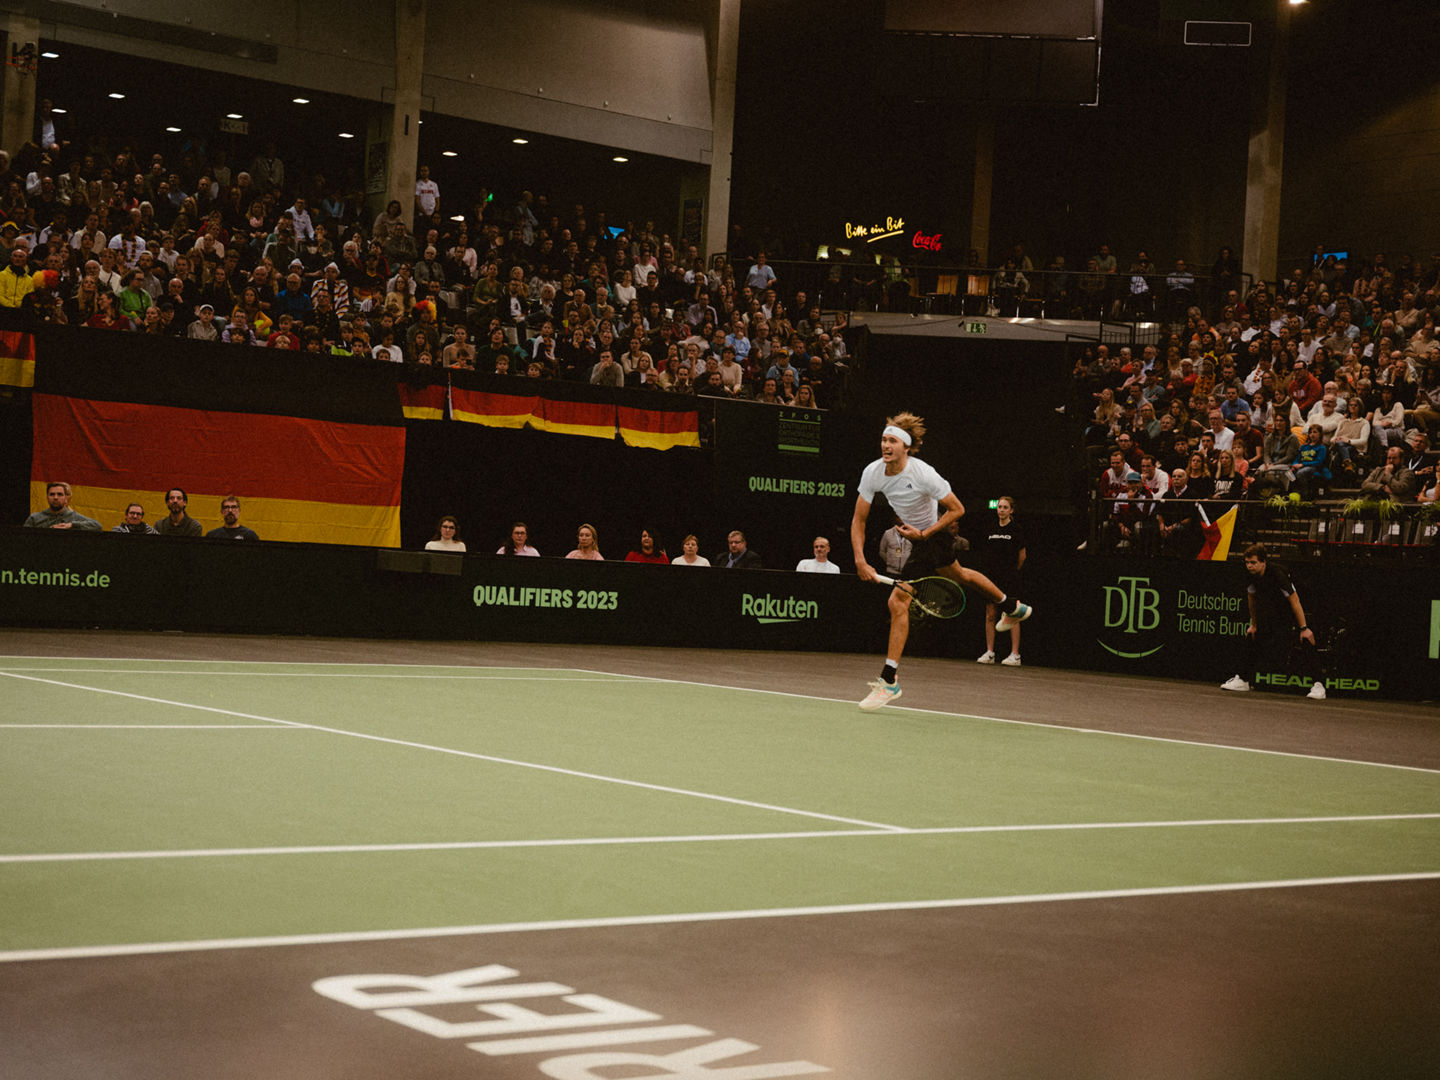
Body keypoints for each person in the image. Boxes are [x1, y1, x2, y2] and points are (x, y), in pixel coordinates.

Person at [850, 413, 1031, 711]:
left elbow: (957, 509)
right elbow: (859, 518)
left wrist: (924, 534)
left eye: (892, 440)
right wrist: (859, 558)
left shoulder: (924, 474)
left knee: (897, 602)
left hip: (932, 534)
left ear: (906, 446)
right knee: (960, 574)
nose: (886, 445)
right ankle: (1013, 606)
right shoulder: (873, 472)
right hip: (921, 538)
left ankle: (889, 680)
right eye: (883, 439)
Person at [1220, 544, 1325, 700]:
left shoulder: (1277, 574)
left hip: (1300, 606)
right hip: (1277, 609)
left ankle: (1319, 685)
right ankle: (1243, 680)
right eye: (1247, 562)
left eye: (1253, 562)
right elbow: (1252, 599)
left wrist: (1303, 627)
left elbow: (1295, 600)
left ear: (1264, 562)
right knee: (1253, 636)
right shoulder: (1249, 575)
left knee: (1305, 638)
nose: (1249, 566)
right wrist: (1254, 625)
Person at [976, 496, 1026, 667]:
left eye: (1005, 507)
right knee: (990, 614)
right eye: (999, 507)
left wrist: (1011, 573)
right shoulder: (990, 528)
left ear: (1011, 510)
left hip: (1010, 578)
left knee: (1013, 615)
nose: (1001, 510)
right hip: (991, 578)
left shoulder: (1016, 529)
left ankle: (1015, 655)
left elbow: (1022, 556)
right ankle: (990, 652)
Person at [22, 481, 102, 530]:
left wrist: (71, 525)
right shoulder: (35, 518)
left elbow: (97, 526)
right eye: (52, 494)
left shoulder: (73, 517)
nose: (55, 497)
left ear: (65, 498)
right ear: (47, 497)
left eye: (60, 494)